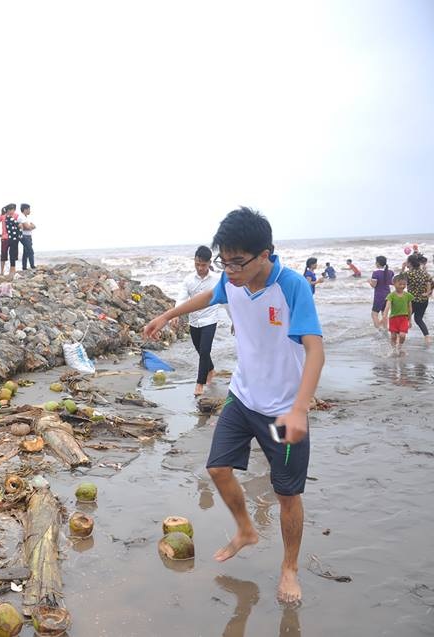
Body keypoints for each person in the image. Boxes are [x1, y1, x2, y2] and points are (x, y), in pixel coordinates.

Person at [143, 207, 324, 605]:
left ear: (266, 254)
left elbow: (315, 351)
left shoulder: (292, 286)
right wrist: (167, 314)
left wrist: (300, 408)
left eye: (238, 262)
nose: (231, 271)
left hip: (283, 409)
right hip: (243, 397)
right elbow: (211, 294)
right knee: (217, 467)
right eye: (225, 261)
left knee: (286, 493)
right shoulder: (232, 279)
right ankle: (245, 529)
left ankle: (289, 568)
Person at [172, 246, 222, 396]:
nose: (200, 268)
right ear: (194, 261)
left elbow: (226, 302)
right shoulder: (188, 280)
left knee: (205, 350)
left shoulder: (217, 279)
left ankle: (199, 383)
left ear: (209, 263)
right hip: (194, 320)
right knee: (201, 350)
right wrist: (175, 314)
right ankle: (211, 370)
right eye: (197, 264)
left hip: (210, 319)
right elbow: (181, 298)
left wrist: (235, 320)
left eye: (203, 265)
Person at [405, 253, 433, 345]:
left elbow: (398, 281)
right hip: (423, 300)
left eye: (407, 262)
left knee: (404, 317)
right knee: (418, 319)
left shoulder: (408, 273)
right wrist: (428, 292)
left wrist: (402, 268)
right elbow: (430, 282)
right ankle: (427, 337)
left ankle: (399, 336)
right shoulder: (424, 273)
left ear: (410, 263)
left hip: (412, 301)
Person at [385, 274, 414, 356]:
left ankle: (400, 347)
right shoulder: (391, 295)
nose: (402, 286)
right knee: (393, 336)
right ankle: (394, 349)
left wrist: (410, 320)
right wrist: (385, 316)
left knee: (402, 335)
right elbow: (387, 306)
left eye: (404, 284)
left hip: (404, 318)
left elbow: (410, 308)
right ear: (394, 284)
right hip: (393, 318)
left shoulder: (408, 295)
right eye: (400, 284)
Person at [0, 204, 20, 277]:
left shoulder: (15, 215)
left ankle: (10, 271)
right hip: (6, 238)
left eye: (13, 210)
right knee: (5, 254)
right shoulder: (3, 216)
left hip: (11, 237)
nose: (12, 211)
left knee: (11, 254)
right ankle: (3, 271)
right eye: (11, 210)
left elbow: (20, 224)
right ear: (7, 210)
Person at [368, 256, 394, 330]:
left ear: (378, 263)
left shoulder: (376, 273)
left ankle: (379, 329)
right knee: (384, 313)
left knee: (374, 314)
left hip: (379, 295)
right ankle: (385, 329)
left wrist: (369, 281)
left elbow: (373, 285)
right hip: (388, 294)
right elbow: (391, 282)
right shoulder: (390, 272)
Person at [19, 203, 36, 270]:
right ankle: (32, 266)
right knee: (30, 251)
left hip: (29, 235)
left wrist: (30, 227)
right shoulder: (21, 217)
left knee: (26, 252)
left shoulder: (27, 218)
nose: (30, 211)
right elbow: (27, 227)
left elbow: (33, 226)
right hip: (24, 236)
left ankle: (24, 267)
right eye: (29, 209)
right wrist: (30, 226)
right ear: (25, 209)